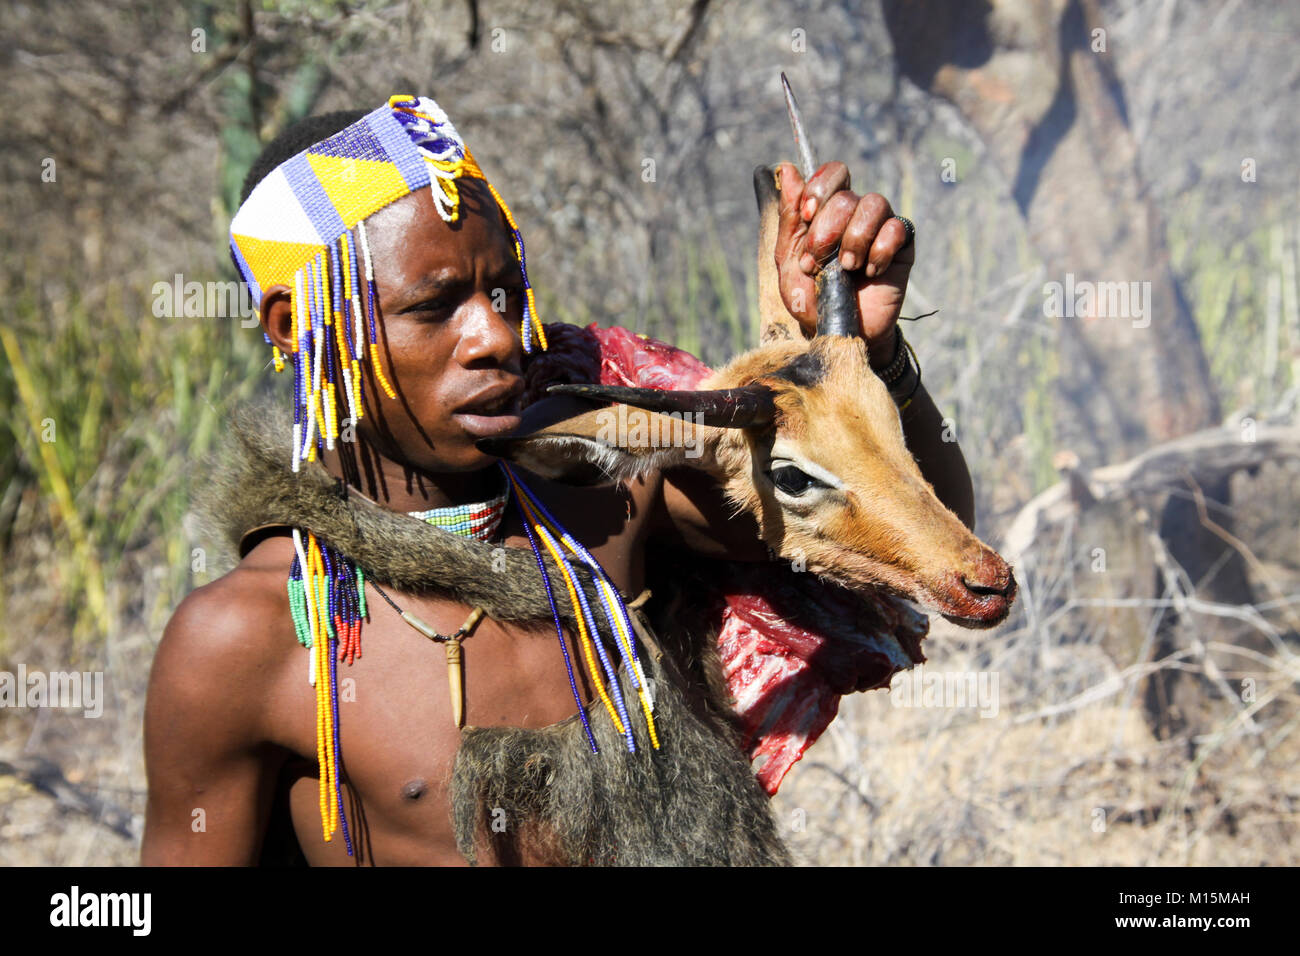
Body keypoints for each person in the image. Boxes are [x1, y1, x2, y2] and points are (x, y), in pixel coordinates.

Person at [141, 94, 974, 866]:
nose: (495, 336)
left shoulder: (603, 493)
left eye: (505, 291)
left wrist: (861, 358)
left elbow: (927, 542)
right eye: (436, 306)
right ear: (299, 325)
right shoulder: (246, 640)